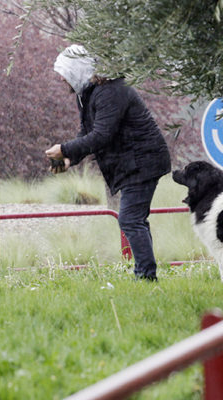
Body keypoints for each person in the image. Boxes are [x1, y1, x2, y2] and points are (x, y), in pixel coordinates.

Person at [45, 44, 171, 281]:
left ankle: (145, 276)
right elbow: (87, 132)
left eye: (64, 73)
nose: (61, 79)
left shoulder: (110, 91)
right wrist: (70, 159)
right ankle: (146, 274)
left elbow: (102, 135)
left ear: (77, 70)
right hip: (133, 162)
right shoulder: (88, 93)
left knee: (130, 219)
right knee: (135, 219)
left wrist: (63, 149)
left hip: (143, 161)